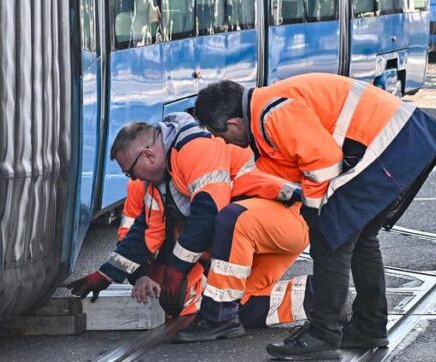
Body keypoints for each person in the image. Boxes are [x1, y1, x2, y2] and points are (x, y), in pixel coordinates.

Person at [194, 74, 436, 360]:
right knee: (363, 239)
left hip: (388, 145)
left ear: (234, 123)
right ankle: (369, 326)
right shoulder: (264, 108)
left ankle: (324, 333)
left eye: (221, 136)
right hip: (400, 141)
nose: (226, 143)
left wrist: (313, 208)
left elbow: (324, 160)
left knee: (330, 237)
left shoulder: (271, 113)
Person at [66, 113, 313, 343]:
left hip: (286, 218)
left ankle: (220, 320)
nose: (133, 180)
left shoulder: (195, 148)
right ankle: (322, 296)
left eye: (130, 172)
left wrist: (176, 270)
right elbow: (145, 233)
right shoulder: (160, 183)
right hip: (256, 231)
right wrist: (106, 274)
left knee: (229, 222)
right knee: (240, 306)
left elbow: (208, 213)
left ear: (148, 155)